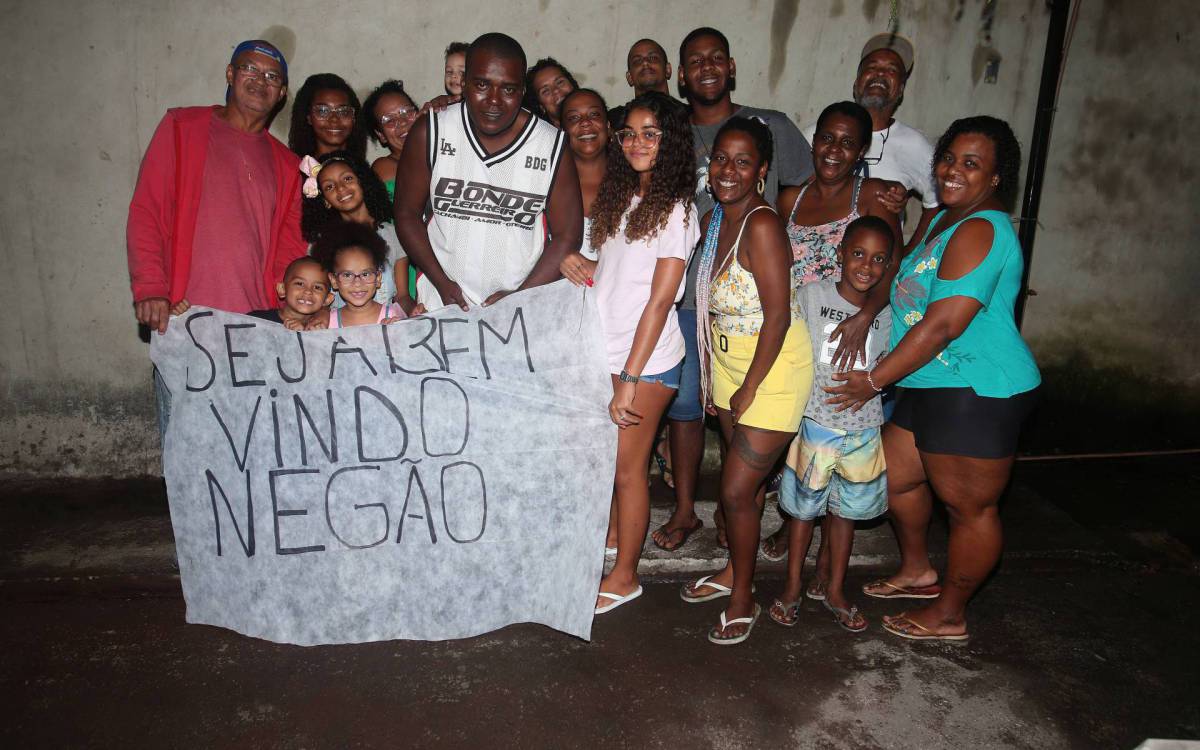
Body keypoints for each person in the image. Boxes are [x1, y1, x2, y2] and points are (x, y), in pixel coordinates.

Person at [825, 116, 1041, 641]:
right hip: (926, 382)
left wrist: (873, 381)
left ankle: (950, 612)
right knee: (893, 478)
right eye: (948, 158)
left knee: (969, 508)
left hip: (977, 389)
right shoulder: (945, 218)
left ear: (995, 179)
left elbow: (943, 324)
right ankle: (919, 571)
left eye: (971, 164)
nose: (952, 171)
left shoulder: (981, 228)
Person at [651, 26, 812, 553]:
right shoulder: (672, 131)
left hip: (748, 297)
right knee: (692, 410)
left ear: (732, 65)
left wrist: (767, 237)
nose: (706, 67)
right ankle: (689, 511)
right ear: (680, 74)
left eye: (716, 57)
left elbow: (810, 187)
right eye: (694, 60)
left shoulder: (771, 125)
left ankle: (739, 508)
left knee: (750, 421)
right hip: (691, 300)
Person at [557, 92, 697, 614]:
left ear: (671, 142)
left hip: (647, 361)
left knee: (627, 471)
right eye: (630, 132)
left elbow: (661, 300)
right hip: (608, 351)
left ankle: (625, 576)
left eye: (651, 132)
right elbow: (619, 276)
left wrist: (631, 378)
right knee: (613, 464)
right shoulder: (623, 199)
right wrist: (580, 264)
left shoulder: (677, 210)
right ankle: (616, 537)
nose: (638, 142)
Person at [127, 39, 307, 434]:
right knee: (186, 450)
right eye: (250, 69)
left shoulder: (288, 165)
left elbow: (289, 249)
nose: (261, 81)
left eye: (272, 76)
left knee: (249, 450)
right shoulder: (182, 128)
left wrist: (286, 310)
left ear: (282, 94)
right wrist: (151, 286)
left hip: (255, 330)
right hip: (183, 319)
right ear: (230, 74)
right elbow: (147, 210)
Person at [680, 118, 812, 645]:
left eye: (742, 161)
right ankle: (735, 571)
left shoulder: (762, 224)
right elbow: (711, 313)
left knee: (734, 493)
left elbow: (777, 316)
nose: (727, 170)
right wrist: (718, 379)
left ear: (761, 171)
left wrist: (751, 387)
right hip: (734, 368)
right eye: (720, 160)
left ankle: (743, 598)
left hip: (773, 371)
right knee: (748, 491)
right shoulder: (714, 220)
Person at [760, 101, 903, 580]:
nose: (833, 150)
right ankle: (795, 518)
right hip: (801, 335)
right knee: (799, 438)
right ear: (813, 138)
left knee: (839, 435)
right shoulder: (790, 200)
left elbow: (892, 269)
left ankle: (828, 550)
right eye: (826, 138)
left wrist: (864, 316)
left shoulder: (874, 198)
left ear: (861, 150)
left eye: (847, 142)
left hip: (848, 336)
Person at [393, 33, 582, 311]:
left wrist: (521, 296)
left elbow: (568, 236)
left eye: (508, 89)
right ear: (464, 82)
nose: (493, 100)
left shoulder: (551, 144)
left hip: (518, 308)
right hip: (440, 302)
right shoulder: (430, 131)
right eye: (482, 84)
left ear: (522, 91)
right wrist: (441, 281)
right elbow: (406, 214)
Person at [770, 215, 895, 633]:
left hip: (863, 430)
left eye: (879, 259)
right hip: (816, 425)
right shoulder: (810, 296)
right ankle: (791, 588)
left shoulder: (889, 313)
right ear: (840, 254)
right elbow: (786, 347)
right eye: (858, 253)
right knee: (804, 515)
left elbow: (890, 364)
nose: (866, 266)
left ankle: (836, 590)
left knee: (845, 515)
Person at [803, 32, 938, 242]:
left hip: (873, 268)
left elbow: (936, 204)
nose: (880, 74)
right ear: (856, 84)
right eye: (872, 67)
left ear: (901, 90)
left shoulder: (915, 145)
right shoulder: (817, 134)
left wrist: (911, 252)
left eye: (892, 70)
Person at [299, 151, 421, 317]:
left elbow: (403, 296)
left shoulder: (393, 234)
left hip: (385, 329)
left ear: (362, 182)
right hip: (339, 333)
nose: (341, 188)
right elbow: (318, 298)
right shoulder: (321, 243)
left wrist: (415, 311)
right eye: (330, 186)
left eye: (347, 178)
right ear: (325, 201)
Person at [312, 222, 407, 327]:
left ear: (378, 278)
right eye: (347, 275)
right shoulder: (326, 323)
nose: (357, 283)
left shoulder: (394, 317)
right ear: (334, 281)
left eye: (365, 274)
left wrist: (394, 333)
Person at [556, 88, 612, 261]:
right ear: (561, 131)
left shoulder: (634, 185)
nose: (585, 123)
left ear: (608, 126)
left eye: (594, 115)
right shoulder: (546, 185)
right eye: (574, 118)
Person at [288, 73, 367, 162]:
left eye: (343, 111)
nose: (334, 119)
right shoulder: (296, 171)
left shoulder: (363, 171)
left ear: (354, 117)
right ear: (309, 117)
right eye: (323, 111)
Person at [245, 256, 334, 329]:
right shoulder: (255, 320)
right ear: (282, 289)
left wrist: (304, 336)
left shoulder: (323, 330)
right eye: (300, 283)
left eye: (317, 287)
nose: (308, 291)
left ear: (327, 299)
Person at [364, 79, 419, 196]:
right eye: (389, 120)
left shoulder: (444, 151)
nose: (402, 122)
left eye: (406, 112)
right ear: (381, 135)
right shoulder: (384, 167)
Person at [524, 57, 579, 127]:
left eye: (560, 82)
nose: (556, 90)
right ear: (541, 106)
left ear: (572, 85)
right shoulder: (542, 136)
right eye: (545, 91)